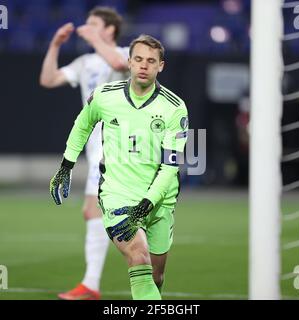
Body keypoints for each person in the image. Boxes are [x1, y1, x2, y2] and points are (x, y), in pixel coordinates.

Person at [50, 35, 189, 300]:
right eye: (138, 59)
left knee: (156, 276)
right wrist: (66, 165)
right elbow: (82, 126)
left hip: (160, 200)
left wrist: (148, 202)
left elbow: (171, 166)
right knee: (139, 255)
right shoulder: (105, 96)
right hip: (117, 195)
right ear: (129, 63)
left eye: (151, 61)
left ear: (161, 66)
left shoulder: (174, 108)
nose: (144, 66)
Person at [40, 6, 129, 300]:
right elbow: (48, 79)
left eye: (94, 24)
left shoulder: (128, 52)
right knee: (94, 211)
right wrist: (55, 44)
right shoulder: (85, 61)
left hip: (119, 143)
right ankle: (92, 284)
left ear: (110, 30)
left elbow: (117, 61)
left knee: (103, 212)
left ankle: (97, 282)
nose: (86, 28)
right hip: (96, 145)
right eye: (87, 24)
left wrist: (95, 39)